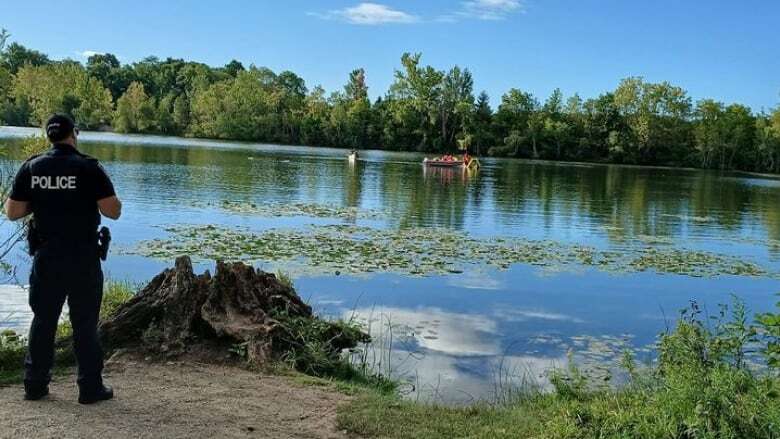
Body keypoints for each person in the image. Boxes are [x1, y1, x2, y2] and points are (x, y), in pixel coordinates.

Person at [5, 114, 122, 404]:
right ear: (75, 134)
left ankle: (35, 384)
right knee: (85, 322)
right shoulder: (88, 167)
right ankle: (90, 387)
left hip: (48, 255)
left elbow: (13, 212)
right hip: (82, 256)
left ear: (49, 137)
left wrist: (43, 200)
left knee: (44, 319)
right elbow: (113, 211)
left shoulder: (32, 167)